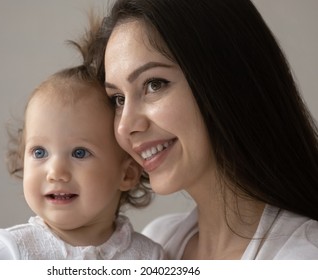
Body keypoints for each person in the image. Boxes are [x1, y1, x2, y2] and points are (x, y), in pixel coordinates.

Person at [88, 0, 318, 259]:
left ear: (227, 78)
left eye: (154, 84)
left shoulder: (303, 257)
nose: (125, 126)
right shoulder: (155, 243)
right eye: (118, 99)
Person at [0, 48, 164, 259]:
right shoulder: (8, 253)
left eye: (79, 153)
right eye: (40, 152)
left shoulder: (149, 257)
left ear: (127, 175)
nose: (55, 172)